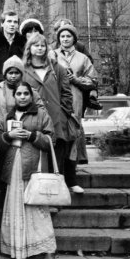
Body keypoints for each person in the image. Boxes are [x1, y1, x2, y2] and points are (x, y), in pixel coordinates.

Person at [0, 82, 57, 259]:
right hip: (12, 167)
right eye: (19, 94)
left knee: (37, 210)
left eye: (26, 93)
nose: (22, 97)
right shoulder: (7, 116)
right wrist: (8, 136)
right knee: (15, 206)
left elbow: (51, 140)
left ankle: (48, 249)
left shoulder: (41, 114)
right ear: (14, 96)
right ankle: (17, 248)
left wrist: (32, 136)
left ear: (31, 96)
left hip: (33, 167)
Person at [22, 34, 77, 193]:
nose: (40, 48)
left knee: (56, 159)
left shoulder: (57, 68)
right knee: (34, 157)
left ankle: (56, 195)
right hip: (33, 119)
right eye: (36, 45)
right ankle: (34, 194)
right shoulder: (23, 69)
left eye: (43, 45)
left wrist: (63, 113)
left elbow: (66, 93)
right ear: (29, 48)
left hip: (56, 120)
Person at [52, 24, 98, 191]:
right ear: (58, 39)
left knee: (73, 136)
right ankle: (55, 175)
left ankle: (71, 178)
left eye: (68, 36)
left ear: (74, 39)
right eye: (62, 36)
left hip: (75, 101)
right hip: (56, 99)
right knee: (57, 136)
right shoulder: (52, 55)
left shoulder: (82, 58)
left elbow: (93, 81)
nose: (65, 39)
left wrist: (76, 79)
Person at [0, 56, 45, 123]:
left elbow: (42, 111)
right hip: (2, 127)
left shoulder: (30, 90)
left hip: (26, 127)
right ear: (5, 74)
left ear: (21, 74)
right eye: (10, 73)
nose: (13, 76)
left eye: (16, 73)